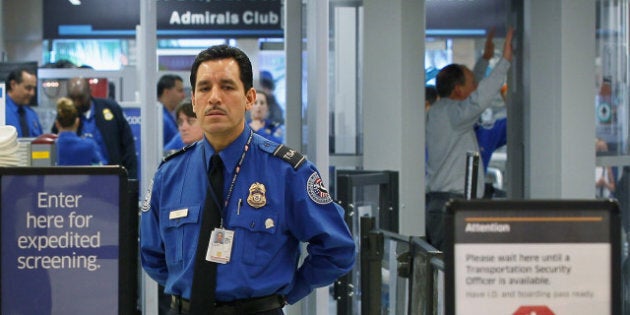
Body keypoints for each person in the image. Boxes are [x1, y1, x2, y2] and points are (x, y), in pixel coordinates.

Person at [140, 44, 355, 315]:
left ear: (249, 98)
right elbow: (151, 255)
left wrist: (287, 292)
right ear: (194, 100)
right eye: (204, 88)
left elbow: (337, 249)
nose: (215, 97)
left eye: (227, 87)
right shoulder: (168, 175)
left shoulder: (287, 172)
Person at [425, 27, 513, 251]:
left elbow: (473, 91)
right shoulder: (454, 115)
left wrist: (484, 59)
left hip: (445, 205)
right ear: (457, 91)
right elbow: (479, 99)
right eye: (471, 85)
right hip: (451, 207)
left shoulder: (442, 111)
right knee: (452, 276)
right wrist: (505, 60)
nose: (475, 89)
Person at [61, 77, 138, 178]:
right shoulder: (65, 115)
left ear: (90, 91)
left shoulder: (111, 108)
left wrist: (131, 181)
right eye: (72, 98)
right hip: (77, 180)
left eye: (80, 98)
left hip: (111, 178)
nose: (76, 103)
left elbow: (128, 147)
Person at [54, 97, 105, 166]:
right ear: (77, 122)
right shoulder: (89, 146)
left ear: (57, 124)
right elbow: (102, 171)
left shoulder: (50, 148)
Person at [5, 67, 43, 137]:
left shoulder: (32, 115)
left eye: (33, 88)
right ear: (13, 85)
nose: (32, 93)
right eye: (28, 88)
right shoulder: (2, 112)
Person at [158, 74, 186, 147]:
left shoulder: (168, 116)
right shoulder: (161, 119)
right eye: (180, 91)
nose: (184, 95)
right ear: (166, 92)